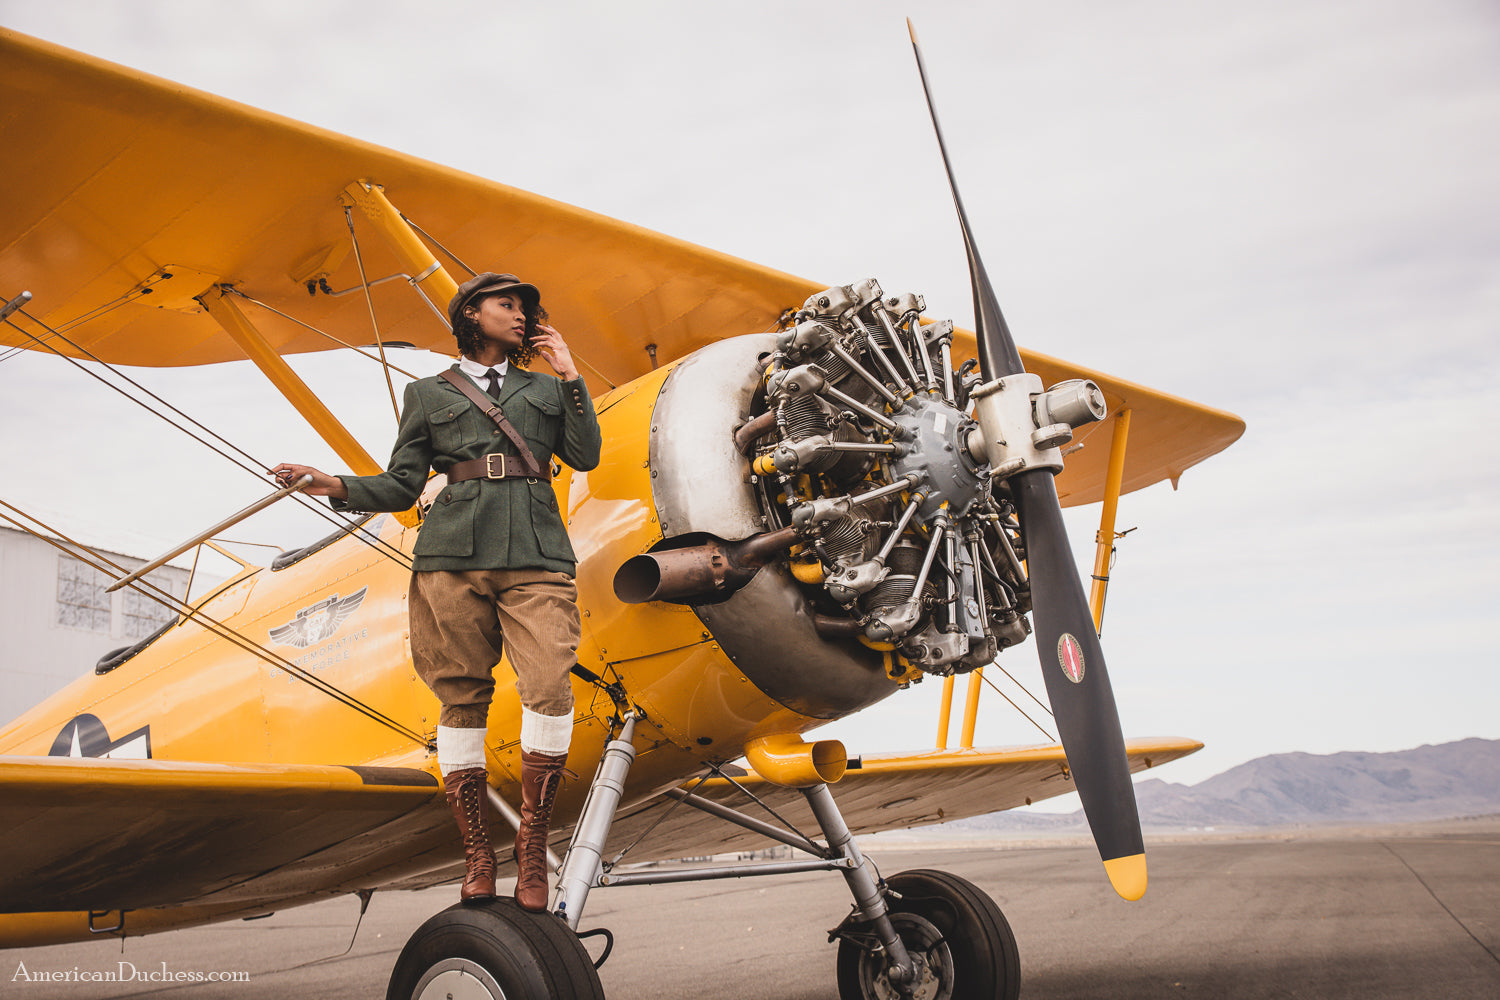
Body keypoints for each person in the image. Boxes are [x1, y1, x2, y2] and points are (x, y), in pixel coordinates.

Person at [273, 272, 601, 912]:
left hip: (537, 552)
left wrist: (569, 373)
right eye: (506, 303)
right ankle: (479, 853)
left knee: (550, 688)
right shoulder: (427, 394)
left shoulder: (546, 388)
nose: (520, 314)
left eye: (525, 307)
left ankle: (530, 846)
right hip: (450, 555)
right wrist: (329, 482)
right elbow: (401, 486)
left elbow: (584, 455)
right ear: (471, 314)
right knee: (459, 697)